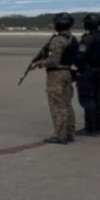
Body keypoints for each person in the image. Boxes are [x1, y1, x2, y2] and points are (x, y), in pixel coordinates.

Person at [30, 12, 79, 144]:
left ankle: (60, 135)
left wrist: (40, 63)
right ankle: (69, 132)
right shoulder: (72, 39)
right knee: (67, 104)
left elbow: (53, 60)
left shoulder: (58, 40)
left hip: (56, 74)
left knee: (58, 105)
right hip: (68, 73)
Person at [74, 13, 100, 136]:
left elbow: (80, 56)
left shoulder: (87, 38)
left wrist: (76, 66)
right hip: (98, 70)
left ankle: (90, 127)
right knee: (98, 98)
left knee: (87, 99)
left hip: (87, 71)